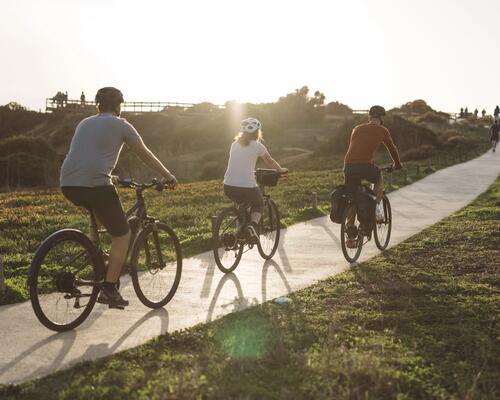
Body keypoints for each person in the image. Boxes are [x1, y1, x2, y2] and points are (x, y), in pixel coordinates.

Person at [60, 87, 177, 308]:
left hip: (68, 183)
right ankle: (109, 289)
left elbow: (86, 155)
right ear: (118, 106)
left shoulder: (84, 123)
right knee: (122, 236)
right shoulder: (122, 125)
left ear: (98, 106)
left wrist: (109, 175)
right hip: (96, 185)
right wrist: (167, 175)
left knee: (104, 220)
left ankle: (97, 256)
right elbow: (146, 155)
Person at [343, 105, 403, 247]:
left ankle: (349, 237)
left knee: (352, 196)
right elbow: (392, 148)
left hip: (348, 166)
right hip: (365, 165)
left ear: (370, 117)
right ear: (381, 118)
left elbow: (355, 147)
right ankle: (377, 211)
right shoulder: (382, 130)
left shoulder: (356, 129)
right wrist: (398, 165)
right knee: (378, 178)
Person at [223, 118, 287, 241]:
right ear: (257, 132)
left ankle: (239, 234)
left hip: (228, 186)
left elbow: (239, 162)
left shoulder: (234, 144)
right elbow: (270, 161)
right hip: (247, 186)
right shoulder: (258, 146)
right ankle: (252, 226)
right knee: (259, 203)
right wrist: (280, 170)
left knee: (242, 204)